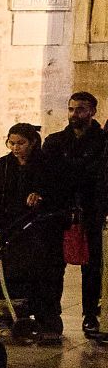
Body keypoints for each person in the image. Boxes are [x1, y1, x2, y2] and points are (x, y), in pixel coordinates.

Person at [0, 122, 62, 339]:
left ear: (33, 142)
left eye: (21, 143)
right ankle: (10, 317)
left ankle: (48, 322)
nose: (16, 148)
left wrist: (40, 196)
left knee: (43, 276)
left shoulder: (46, 165)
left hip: (38, 228)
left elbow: (57, 192)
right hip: (10, 227)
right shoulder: (4, 165)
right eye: (12, 143)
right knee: (10, 274)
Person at [42, 90, 103, 337]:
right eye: (71, 108)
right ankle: (51, 316)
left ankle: (90, 316)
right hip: (61, 210)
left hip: (92, 210)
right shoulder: (55, 141)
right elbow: (49, 175)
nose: (74, 114)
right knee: (54, 265)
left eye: (80, 109)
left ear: (92, 111)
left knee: (92, 266)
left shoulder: (103, 142)